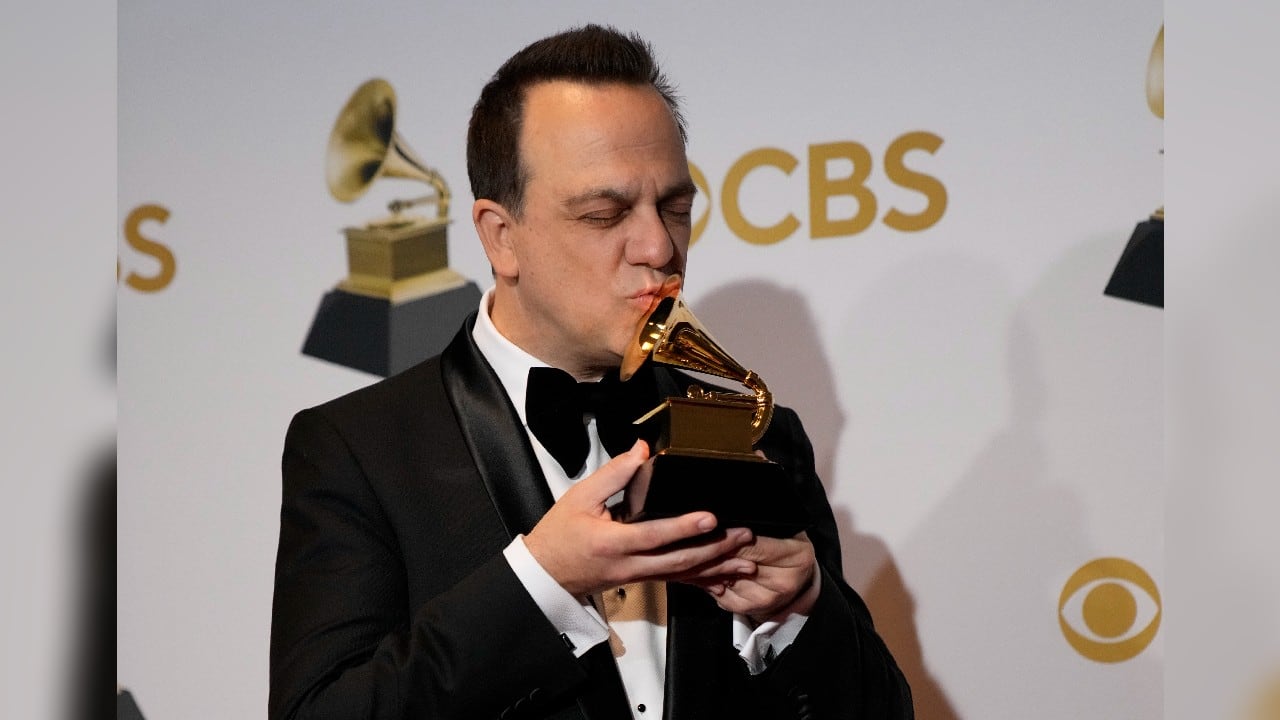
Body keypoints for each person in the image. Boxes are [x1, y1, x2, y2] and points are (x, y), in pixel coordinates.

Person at [270, 24, 912, 720]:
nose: (659, 246)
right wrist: (541, 583)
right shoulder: (358, 450)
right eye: (605, 214)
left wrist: (799, 614)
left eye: (675, 207)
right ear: (500, 237)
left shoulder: (758, 435)